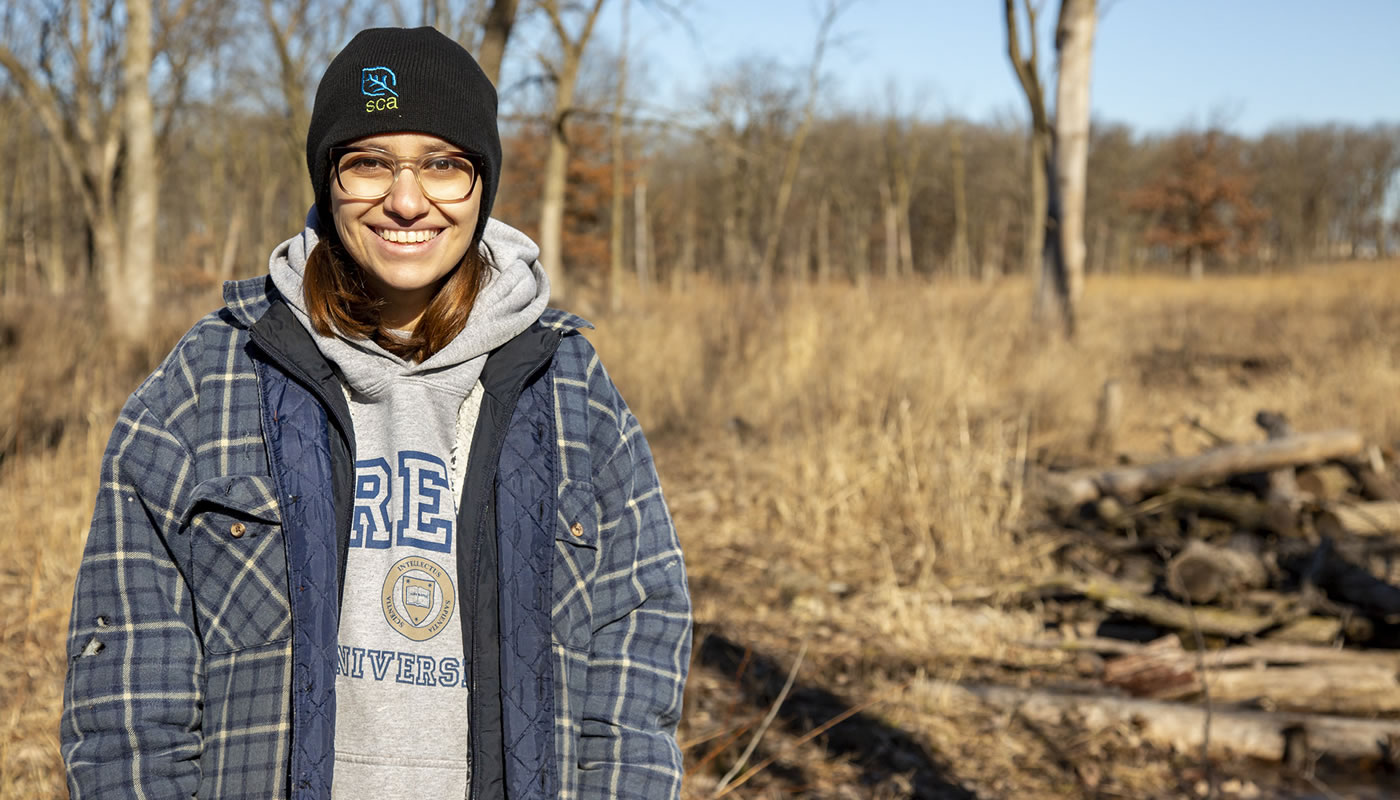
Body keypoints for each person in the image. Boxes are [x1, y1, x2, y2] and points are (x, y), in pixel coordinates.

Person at [61, 26, 691, 800]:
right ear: (329, 179)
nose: (405, 199)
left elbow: (638, 648)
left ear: (482, 183)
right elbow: (128, 696)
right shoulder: (206, 384)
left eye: (442, 164)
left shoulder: (570, 389)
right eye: (368, 163)